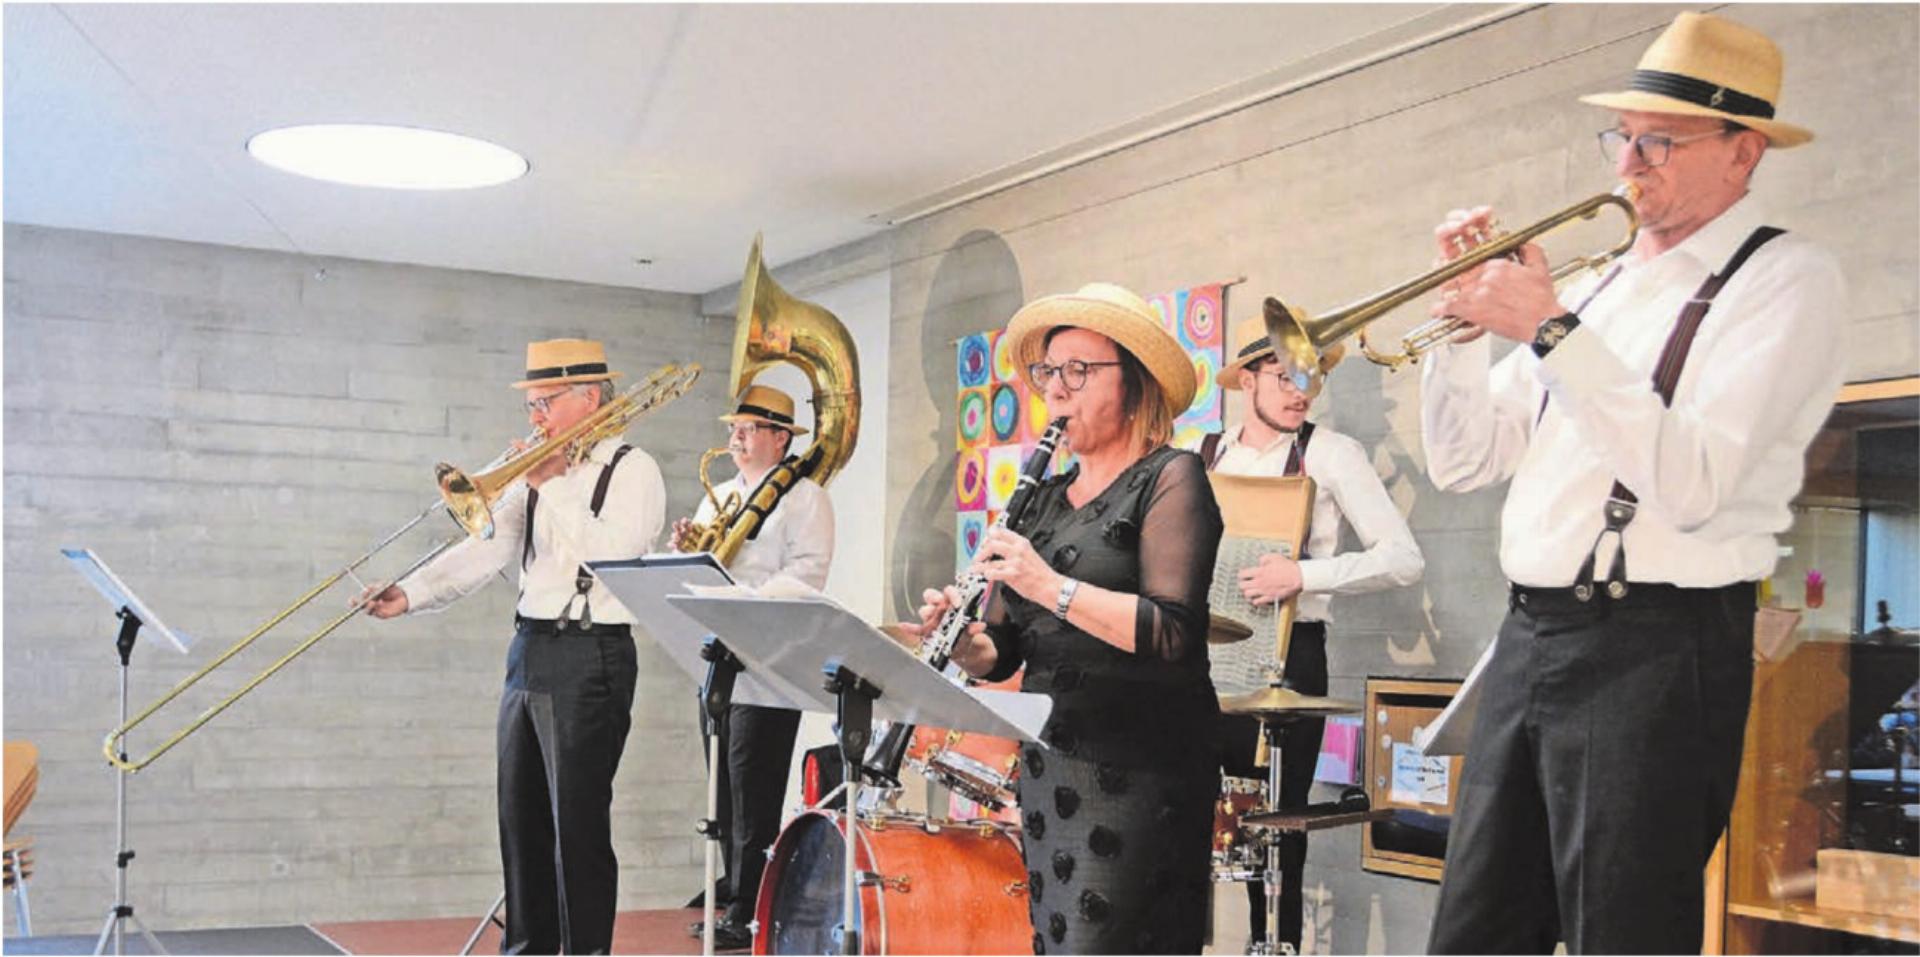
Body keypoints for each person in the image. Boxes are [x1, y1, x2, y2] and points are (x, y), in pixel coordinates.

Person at [1417, 13, 1846, 953]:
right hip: (1531, 634)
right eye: (1624, 136)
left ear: (1744, 153)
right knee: (1474, 933)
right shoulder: (1601, 284)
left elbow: (1694, 483)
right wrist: (1458, 332)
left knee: (1624, 932)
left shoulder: (1783, 278)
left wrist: (1553, 330)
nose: (1629, 165)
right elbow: (1463, 461)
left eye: (1661, 141)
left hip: (1657, 645)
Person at [905, 282, 1223, 955]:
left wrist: (1046, 583)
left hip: (1144, 769)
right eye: (1048, 372)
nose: (1057, 388)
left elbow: (1172, 632)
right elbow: (1007, 649)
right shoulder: (1040, 498)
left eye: (1079, 370)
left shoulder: (1173, 477)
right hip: (1055, 768)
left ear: (1134, 384)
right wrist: (962, 641)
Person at [362, 338, 666, 955]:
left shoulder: (632, 468)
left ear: (588, 398)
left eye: (544, 402)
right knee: (520, 823)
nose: (535, 417)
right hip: (528, 649)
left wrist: (551, 482)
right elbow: (488, 548)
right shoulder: (535, 470)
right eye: (531, 404)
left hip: (591, 653)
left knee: (576, 825)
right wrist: (411, 592)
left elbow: (614, 555)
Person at [1199, 316, 1424, 953]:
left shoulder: (1331, 453)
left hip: (1287, 658)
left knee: (1275, 836)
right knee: (1193, 823)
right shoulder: (1204, 455)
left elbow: (1403, 557)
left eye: (1313, 378)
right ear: (1247, 380)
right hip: (1204, 657)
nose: (1303, 391)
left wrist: (1303, 573)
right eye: (1286, 376)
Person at [673, 384, 835, 951]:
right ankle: (732, 895)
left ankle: (752, 907)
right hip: (717, 659)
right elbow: (694, 573)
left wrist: (748, 598)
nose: (735, 439)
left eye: (747, 430)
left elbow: (808, 574)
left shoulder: (804, 496)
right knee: (722, 785)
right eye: (733, 430)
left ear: (781, 437)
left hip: (768, 658)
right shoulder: (718, 495)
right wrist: (686, 551)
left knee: (754, 784)